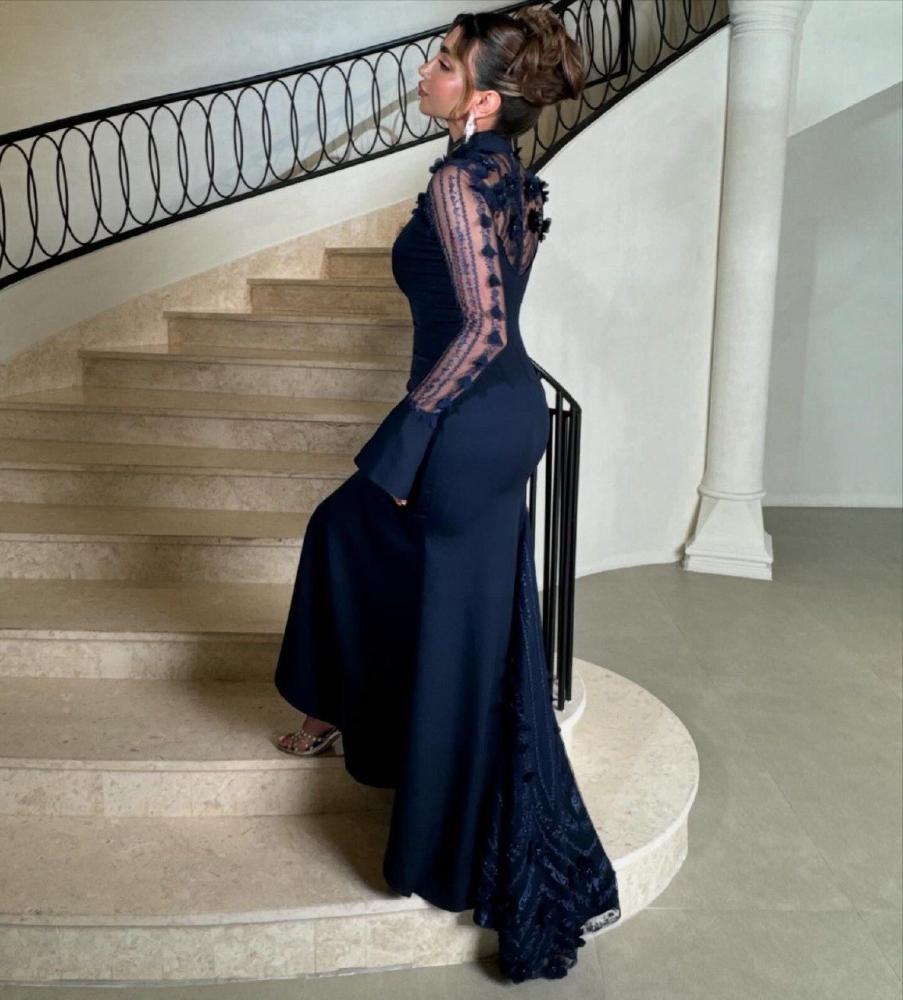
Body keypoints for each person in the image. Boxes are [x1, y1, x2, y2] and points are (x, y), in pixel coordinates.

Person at [272, 8, 621, 982]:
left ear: (482, 99)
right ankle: (354, 718)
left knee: (387, 560)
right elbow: (500, 311)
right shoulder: (510, 178)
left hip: (466, 421)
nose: (423, 71)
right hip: (501, 415)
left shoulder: (462, 180)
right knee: (386, 561)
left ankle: (440, 839)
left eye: (442, 62)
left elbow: (479, 329)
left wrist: (409, 439)